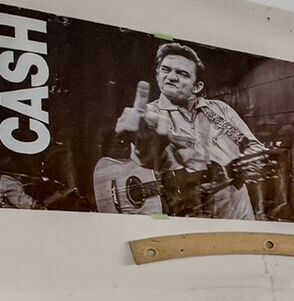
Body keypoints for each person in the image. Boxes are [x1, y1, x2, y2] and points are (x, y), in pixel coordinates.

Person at [112, 42, 267, 220]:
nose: (171, 77)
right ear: (157, 75)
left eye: (182, 73)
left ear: (197, 87)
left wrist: (255, 163)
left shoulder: (220, 110)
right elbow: (147, 156)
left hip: (235, 212)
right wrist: (144, 146)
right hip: (186, 219)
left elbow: (253, 146)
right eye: (165, 70)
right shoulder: (150, 115)